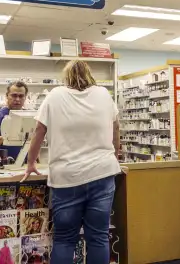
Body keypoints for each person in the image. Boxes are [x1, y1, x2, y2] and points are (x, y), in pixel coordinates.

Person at [23, 60, 120, 264]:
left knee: (65, 240)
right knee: (99, 238)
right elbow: (116, 127)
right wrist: (115, 155)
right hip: (102, 174)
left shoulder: (55, 95)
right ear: (89, 74)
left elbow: (39, 131)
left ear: (66, 76)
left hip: (66, 178)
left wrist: (31, 163)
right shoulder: (103, 94)